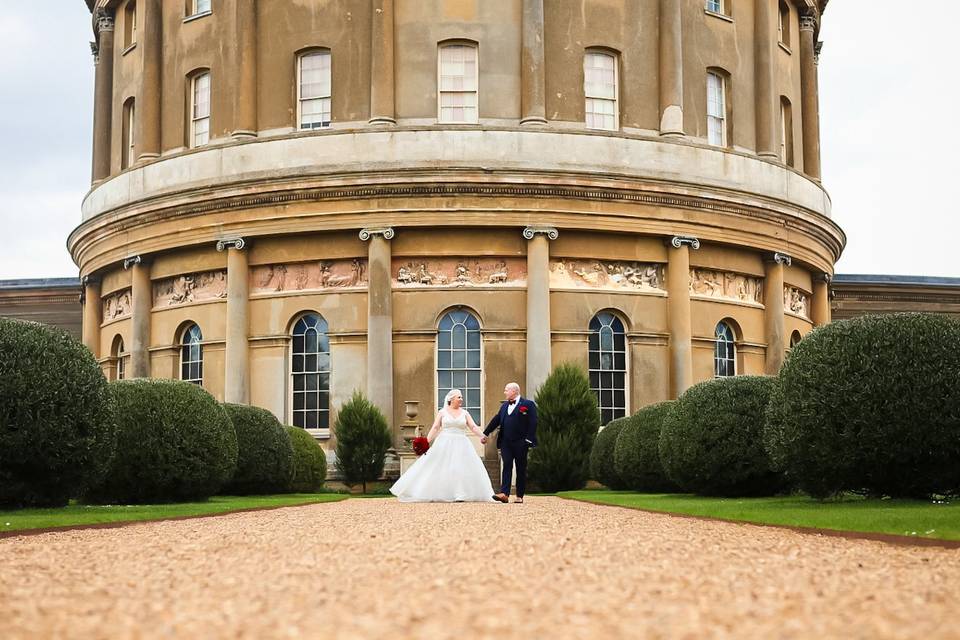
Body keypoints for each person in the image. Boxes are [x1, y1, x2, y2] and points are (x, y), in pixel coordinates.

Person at [389, 389, 495, 503]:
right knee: (436, 466)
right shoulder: (442, 412)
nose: (461, 399)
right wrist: (426, 442)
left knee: (460, 468)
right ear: (451, 399)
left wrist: (482, 436)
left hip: (462, 443)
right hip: (444, 442)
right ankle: (427, 491)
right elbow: (435, 427)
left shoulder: (465, 413)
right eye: (459, 397)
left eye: (461, 397)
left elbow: (473, 426)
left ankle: (460, 493)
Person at [482, 382, 538, 504]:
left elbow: (533, 422)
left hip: (521, 442)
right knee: (507, 465)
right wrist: (485, 433)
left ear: (514, 391)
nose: (505, 392)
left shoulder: (528, 405)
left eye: (506, 390)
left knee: (520, 468)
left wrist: (528, 439)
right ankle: (505, 494)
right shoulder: (504, 406)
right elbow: (496, 420)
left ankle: (519, 495)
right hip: (505, 442)